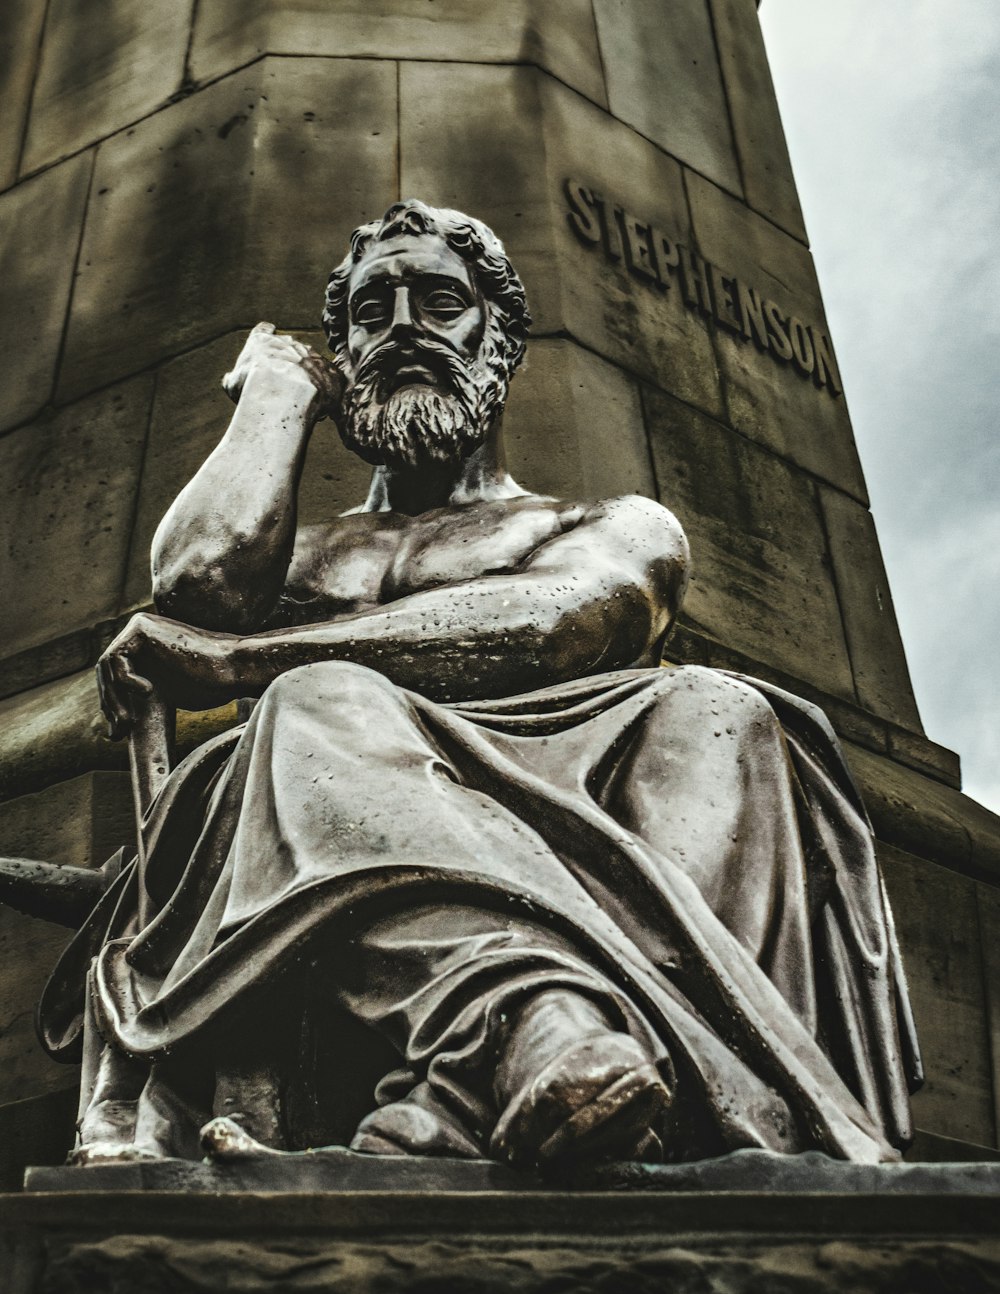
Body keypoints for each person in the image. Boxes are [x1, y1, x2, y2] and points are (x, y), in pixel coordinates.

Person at [40, 201, 920, 1173]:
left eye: (440, 300)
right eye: (372, 311)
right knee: (321, 699)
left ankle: (495, 1083)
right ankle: (538, 1021)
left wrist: (248, 664)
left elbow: (560, 623)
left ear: (501, 338)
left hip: (560, 757)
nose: (404, 326)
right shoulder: (302, 555)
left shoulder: (605, 522)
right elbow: (192, 591)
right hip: (334, 774)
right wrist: (277, 397)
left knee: (722, 712)